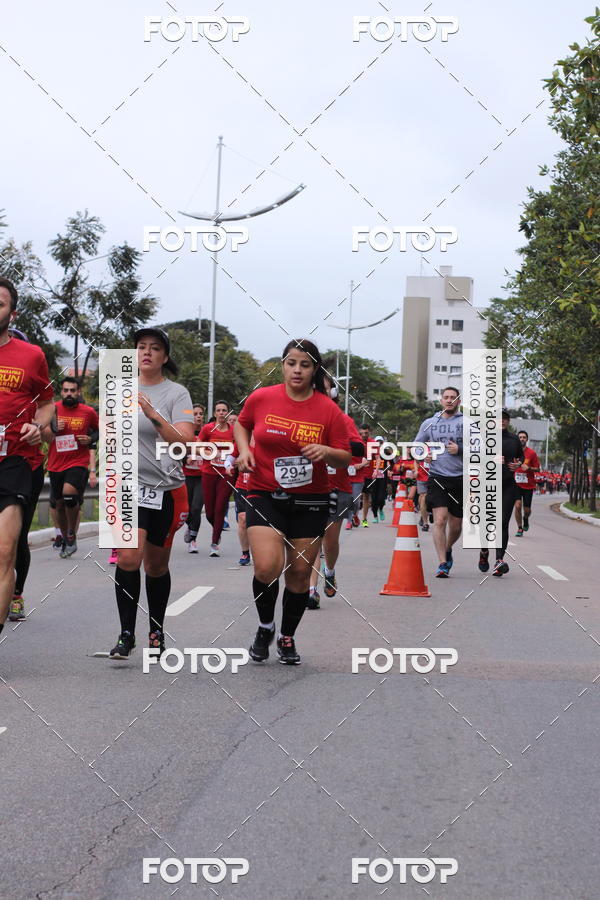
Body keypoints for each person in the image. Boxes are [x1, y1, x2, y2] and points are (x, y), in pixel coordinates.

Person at [234, 339, 351, 665]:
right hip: (264, 493)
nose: (297, 370)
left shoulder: (328, 410)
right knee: (267, 566)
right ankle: (264, 625)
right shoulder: (262, 398)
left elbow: (344, 457)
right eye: (291, 363)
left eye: (305, 364)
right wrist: (244, 450)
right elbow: (242, 424)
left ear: (315, 369)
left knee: (299, 574)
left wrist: (326, 452)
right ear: (283, 365)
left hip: (310, 499)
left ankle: (287, 637)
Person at [109, 327, 194, 659]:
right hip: (129, 488)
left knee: (156, 567)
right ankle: (126, 634)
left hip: (167, 490)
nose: (146, 352)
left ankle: (156, 629)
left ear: (164, 357)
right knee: (129, 558)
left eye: (154, 348)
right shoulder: (118, 388)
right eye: (141, 347)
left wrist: (154, 415)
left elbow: (184, 441)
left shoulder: (176, 394)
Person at [0, 278, 55, 637]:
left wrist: (39, 425)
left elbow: (47, 401)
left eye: (0, 303)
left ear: (11, 312)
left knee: (5, 551)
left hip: (15, 461)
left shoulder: (31, 355)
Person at [307, 374, 364, 608]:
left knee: (329, 542)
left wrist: (331, 441)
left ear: (332, 393)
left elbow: (359, 448)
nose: (319, 391)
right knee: (311, 541)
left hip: (336, 488)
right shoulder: (301, 417)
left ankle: (329, 571)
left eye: (325, 388)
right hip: (308, 488)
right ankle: (311, 591)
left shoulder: (342, 420)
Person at [42, 377, 99, 558]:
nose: (69, 394)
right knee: (59, 504)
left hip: (78, 462)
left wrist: (90, 439)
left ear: (78, 392)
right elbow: (44, 437)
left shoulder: (88, 412)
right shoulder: (53, 410)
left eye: (72, 390)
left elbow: (100, 430)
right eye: (66, 390)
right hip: (56, 463)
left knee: (69, 494)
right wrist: (53, 428)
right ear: (61, 392)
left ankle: (71, 533)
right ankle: (68, 537)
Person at [414, 386, 464, 577]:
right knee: (440, 519)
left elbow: (479, 449)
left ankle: (448, 548)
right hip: (437, 476)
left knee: (456, 525)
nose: (449, 400)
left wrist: (459, 449)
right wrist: (423, 454)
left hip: (460, 478)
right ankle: (442, 563)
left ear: (458, 401)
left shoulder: (467, 424)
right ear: (441, 400)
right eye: (446, 397)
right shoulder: (429, 423)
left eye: (453, 397)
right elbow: (416, 446)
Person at [478, 409, 523, 576]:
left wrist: (518, 464)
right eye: (499, 419)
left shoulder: (514, 439)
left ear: (508, 422)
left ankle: (499, 560)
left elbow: (521, 457)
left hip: (508, 485)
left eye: (505, 419)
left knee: (503, 522)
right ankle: (484, 552)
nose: (502, 421)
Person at [198, 400, 236, 557]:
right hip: (209, 472)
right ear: (214, 414)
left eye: (224, 410)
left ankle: (214, 543)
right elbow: (198, 445)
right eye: (218, 410)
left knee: (220, 506)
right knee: (209, 512)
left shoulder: (234, 431)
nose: (221, 413)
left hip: (226, 474)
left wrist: (231, 458)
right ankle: (217, 529)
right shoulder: (208, 429)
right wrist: (211, 454)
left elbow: (239, 447)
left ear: (227, 413)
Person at [182, 403, 205, 553]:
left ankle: (193, 539)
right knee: (186, 510)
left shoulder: (208, 431)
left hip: (203, 477)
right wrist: (186, 458)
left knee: (196, 508)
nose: (198, 416)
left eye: (200, 414)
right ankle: (190, 527)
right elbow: (174, 450)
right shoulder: (184, 433)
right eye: (195, 414)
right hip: (186, 476)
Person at [514, 429, 540, 537]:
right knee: (517, 506)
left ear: (527, 439)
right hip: (515, 484)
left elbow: (538, 469)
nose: (522, 439)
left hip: (528, 485)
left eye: (524, 437)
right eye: (520, 437)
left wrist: (529, 468)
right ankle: (520, 528)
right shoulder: (513, 452)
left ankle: (526, 519)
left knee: (527, 510)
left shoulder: (532, 453)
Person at [370, 436, 388, 523]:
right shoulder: (371, 452)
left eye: (380, 442)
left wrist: (389, 469)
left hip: (382, 477)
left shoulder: (386, 452)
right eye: (377, 442)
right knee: (374, 497)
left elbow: (391, 463)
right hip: (373, 476)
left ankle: (380, 509)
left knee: (381, 497)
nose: (379, 444)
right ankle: (375, 516)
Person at [359, 424, 374, 526]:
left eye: (366, 433)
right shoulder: (355, 441)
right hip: (356, 474)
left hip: (368, 474)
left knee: (366, 497)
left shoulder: (373, 443)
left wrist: (376, 470)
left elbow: (377, 458)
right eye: (362, 433)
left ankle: (364, 520)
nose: (364, 435)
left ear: (369, 432)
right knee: (354, 497)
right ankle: (352, 518)